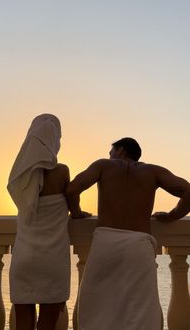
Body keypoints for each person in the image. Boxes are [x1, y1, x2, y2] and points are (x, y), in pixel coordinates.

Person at [65, 137, 190, 330]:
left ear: (121, 150)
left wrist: (77, 213)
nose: (110, 156)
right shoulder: (153, 171)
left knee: (97, 307)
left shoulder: (103, 166)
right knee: (139, 312)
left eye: (111, 152)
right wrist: (172, 215)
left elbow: (72, 189)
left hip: (106, 242)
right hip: (138, 245)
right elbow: (187, 190)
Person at [7, 114, 87, 330]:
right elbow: (72, 202)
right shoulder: (61, 171)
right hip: (52, 258)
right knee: (48, 323)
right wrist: (78, 213)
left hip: (24, 256)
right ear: (54, 140)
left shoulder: (19, 175)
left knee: (23, 321)